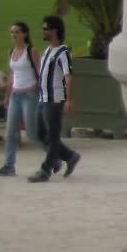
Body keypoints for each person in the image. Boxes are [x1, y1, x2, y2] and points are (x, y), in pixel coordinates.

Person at [28, 15, 78, 183]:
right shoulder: (48, 50)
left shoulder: (63, 53)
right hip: (43, 98)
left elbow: (68, 77)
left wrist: (69, 100)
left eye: (45, 28)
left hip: (54, 100)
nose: (43, 31)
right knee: (39, 134)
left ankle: (46, 169)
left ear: (54, 30)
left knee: (53, 136)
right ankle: (69, 156)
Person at [0, 21, 42, 177]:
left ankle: (55, 156)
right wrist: (8, 95)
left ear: (24, 34)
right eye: (12, 32)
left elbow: (40, 73)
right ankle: (9, 165)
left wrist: (40, 92)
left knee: (32, 133)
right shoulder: (11, 52)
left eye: (16, 32)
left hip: (30, 94)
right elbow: (12, 75)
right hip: (15, 95)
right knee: (10, 133)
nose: (13, 35)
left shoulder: (31, 51)